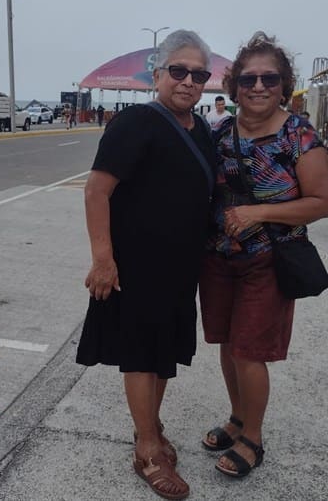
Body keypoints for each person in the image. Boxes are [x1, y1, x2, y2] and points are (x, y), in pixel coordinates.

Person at [76, 29, 215, 500]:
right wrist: (103, 260)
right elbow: (97, 190)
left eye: (199, 74)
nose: (189, 81)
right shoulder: (136, 122)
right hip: (136, 266)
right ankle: (148, 449)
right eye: (178, 71)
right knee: (140, 354)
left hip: (179, 269)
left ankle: (150, 427)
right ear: (157, 74)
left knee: (163, 355)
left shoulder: (202, 131)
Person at [199, 32, 328, 479]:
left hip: (268, 260)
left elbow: (321, 203)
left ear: (285, 84)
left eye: (269, 78)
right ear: (234, 85)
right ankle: (237, 417)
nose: (258, 87)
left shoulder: (299, 135)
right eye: (249, 78)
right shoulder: (219, 133)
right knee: (224, 343)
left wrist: (260, 212)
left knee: (249, 352)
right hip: (218, 259)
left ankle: (252, 437)